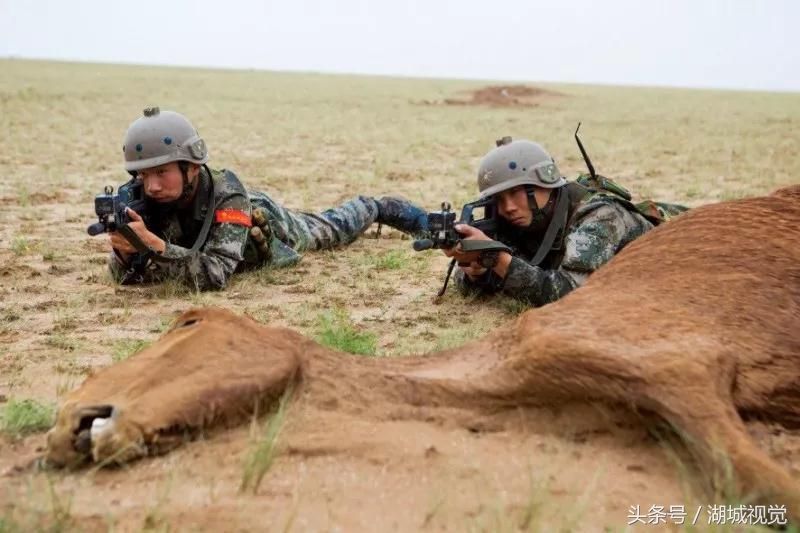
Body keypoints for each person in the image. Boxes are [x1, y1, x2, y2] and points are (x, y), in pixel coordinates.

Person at [106, 107, 427, 290]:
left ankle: (379, 207)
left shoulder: (227, 193)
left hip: (268, 219)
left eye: (162, 172)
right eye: (143, 175)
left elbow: (216, 274)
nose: (152, 186)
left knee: (331, 229)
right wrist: (124, 252)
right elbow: (127, 278)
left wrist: (153, 245)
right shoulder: (139, 200)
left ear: (191, 166)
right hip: (207, 239)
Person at [443, 136, 687, 306]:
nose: (508, 207)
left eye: (517, 192)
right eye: (499, 198)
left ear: (545, 184)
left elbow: (570, 296)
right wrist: (478, 271)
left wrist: (497, 258)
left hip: (686, 243)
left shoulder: (599, 215)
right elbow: (477, 284)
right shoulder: (520, 219)